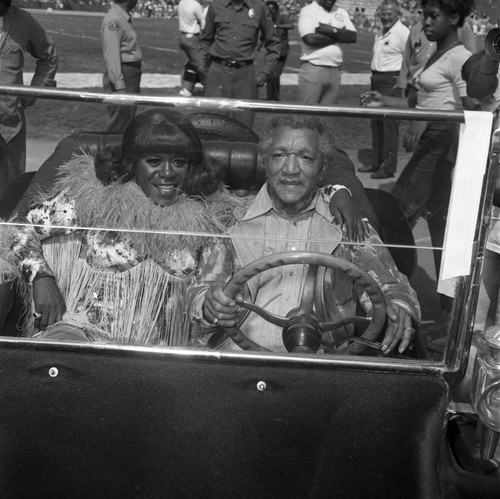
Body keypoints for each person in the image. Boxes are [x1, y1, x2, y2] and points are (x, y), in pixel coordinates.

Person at [187, 115, 421, 355]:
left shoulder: (345, 225)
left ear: (323, 168)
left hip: (323, 366)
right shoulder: (230, 223)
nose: (290, 170)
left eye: (305, 158)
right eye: (279, 156)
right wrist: (209, 304)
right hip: (239, 362)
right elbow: (202, 290)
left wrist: (398, 307)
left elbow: (390, 284)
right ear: (266, 162)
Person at [0, 109, 232, 344]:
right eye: (153, 161)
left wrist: (211, 307)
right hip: (81, 337)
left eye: (179, 162)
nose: (167, 173)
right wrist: (40, 278)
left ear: (191, 167)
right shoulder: (95, 199)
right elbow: (19, 226)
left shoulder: (208, 222)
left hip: (159, 358)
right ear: (132, 164)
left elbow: (206, 301)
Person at [361, 0, 476, 335]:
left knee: (391, 212)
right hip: (431, 141)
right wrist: (383, 101)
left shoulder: (461, 59)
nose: (425, 22)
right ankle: (449, 311)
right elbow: (416, 103)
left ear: (454, 19)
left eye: (433, 16)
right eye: (424, 14)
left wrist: (429, 123)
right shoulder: (435, 53)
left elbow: (472, 111)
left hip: (443, 146)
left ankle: (386, 303)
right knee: (440, 226)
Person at [0, 0, 58, 190]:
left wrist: (32, 93)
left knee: (9, 194)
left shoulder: (23, 20)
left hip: (9, 129)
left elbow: (48, 56)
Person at [197, 0, 280, 127]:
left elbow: (274, 43)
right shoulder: (216, 6)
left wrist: (265, 73)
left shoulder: (259, 7)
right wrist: (201, 66)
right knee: (213, 125)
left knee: (244, 128)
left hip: (245, 73)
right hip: (218, 71)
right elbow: (205, 40)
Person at [359, 0, 409, 179]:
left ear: (397, 15)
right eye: (384, 13)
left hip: (391, 82)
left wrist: (402, 83)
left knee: (389, 126)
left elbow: (410, 60)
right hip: (377, 80)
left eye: (390, 13)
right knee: (376, 124)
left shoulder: (403, 33)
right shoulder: (380, 31)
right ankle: (376, 162)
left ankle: (388, 167)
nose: (386, 16)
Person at [398, 13, 476, 109]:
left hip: (442, 95)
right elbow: (407, 61)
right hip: (414, 89)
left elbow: (472, 62)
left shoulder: (462, 27)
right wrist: (402, 88)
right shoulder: (416, 28)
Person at [297, 0, 356, 105]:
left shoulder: (341, 12)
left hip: (335, 70)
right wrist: (340, 35)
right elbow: (310, 39)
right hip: (314, 68)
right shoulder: (309, 10)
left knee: (327, 115)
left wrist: (330, 30)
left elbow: (352, 36)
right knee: (308, 114)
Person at [101, 0, 142, 134]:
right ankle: (112, 153)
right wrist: (119, 86)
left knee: (126, 122)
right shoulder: (115, 20)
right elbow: (112, 55)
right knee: (119, 124)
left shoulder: (123, 17)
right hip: (125, 75)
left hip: (129, 74)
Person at [264, 1, 293, 101]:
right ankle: (270, 97)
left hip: (281, 52)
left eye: (272, 11)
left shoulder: (281, 18)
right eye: (268, 11)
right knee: (269, 75)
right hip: (270, 52)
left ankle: (275, 98)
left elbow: (291, 25)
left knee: (275, 75)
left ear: (276, 11)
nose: (270, 13)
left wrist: (277, 26)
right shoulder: (266, 20)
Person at [178, 0, 205, 97]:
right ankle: (209, 85)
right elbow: (203, 22)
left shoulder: (182, 2)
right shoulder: (195, 5)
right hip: (192, 37)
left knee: (192, 63)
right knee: (201, 64)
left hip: (182, 36)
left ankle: (186, 87)